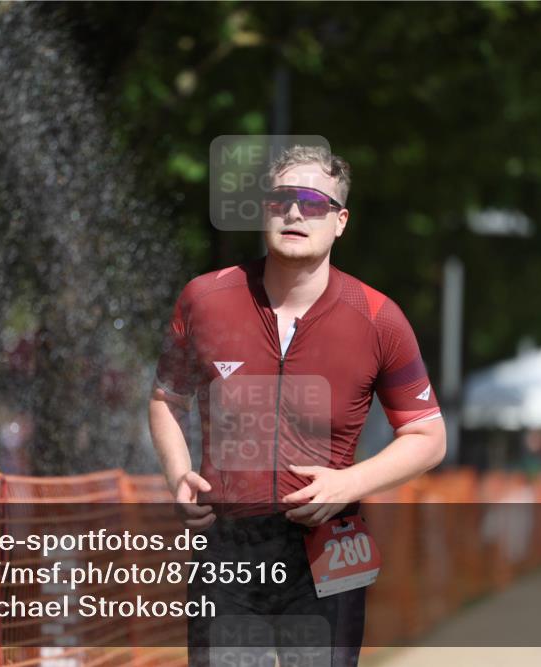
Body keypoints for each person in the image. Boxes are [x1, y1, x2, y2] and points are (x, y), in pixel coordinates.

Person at [148, 145, 447, 666]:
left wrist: (348, 484)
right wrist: (179, 475)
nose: (293, 212)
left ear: (340, 221)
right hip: (227, 549)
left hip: (330, 547)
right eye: (281, 200)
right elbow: (165, 400)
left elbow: (428, 437)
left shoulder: (379, 318)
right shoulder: (204, 299)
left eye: (312, 203)